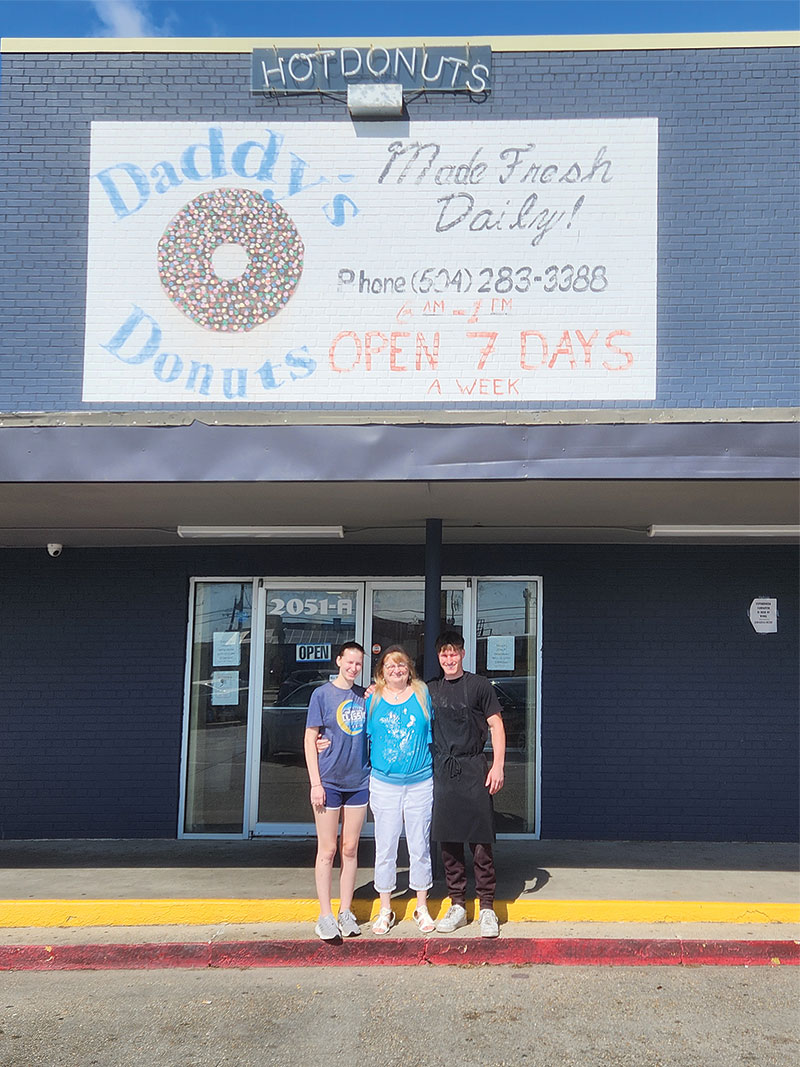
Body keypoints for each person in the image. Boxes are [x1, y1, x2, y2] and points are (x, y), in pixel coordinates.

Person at [428, 630, 506, 938]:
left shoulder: (479, 686)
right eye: (443, 654)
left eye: (453, 653)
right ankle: (457, 904)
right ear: (439, 657)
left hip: (474, 767)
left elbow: (496, 725)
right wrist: (372, 691)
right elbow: (397, 696)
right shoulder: (430, 689)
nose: (449, 659)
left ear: (462, 654)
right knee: (449, 841)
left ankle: (486, 907)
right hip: (443, 770)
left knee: (480, 841)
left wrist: (498, 765)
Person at [366, 646, 436, 935]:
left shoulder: (422, 693)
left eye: (401, 665)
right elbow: (356, 734)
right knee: (385, 847)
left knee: (419, 846)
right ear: (382, 672)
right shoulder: (372, 698)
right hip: (384, 784)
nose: (396, 670)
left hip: (420, 782)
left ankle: (421, 905)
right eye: (390, 666)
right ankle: (386, 908)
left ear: (410, 669)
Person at [303, 641, 369, 942]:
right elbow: (310, 739)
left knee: (350, 849)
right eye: (349, 662)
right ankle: (325, 915)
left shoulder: (365, 697)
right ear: (338, 661)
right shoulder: (321, 695)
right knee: (327, 849)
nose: (353, 668)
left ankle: (345, 911)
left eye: (358, 664)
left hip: (359, 782)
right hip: (328, 782)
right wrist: (315, 783)